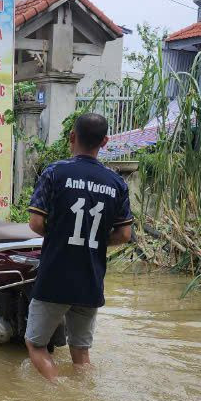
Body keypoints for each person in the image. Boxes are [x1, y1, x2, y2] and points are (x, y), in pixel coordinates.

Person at [24, 113, 134, 382]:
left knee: (36, 345)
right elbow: (124, 234)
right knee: (81, 353)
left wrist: (59, 235)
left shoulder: (55, 173)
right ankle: (82, 395)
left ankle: (57, 392)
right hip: (91, 279)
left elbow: (36, 223)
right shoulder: (117, 183)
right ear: (105, 142)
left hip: (55, 276)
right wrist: (97, 240)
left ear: (72, 137)